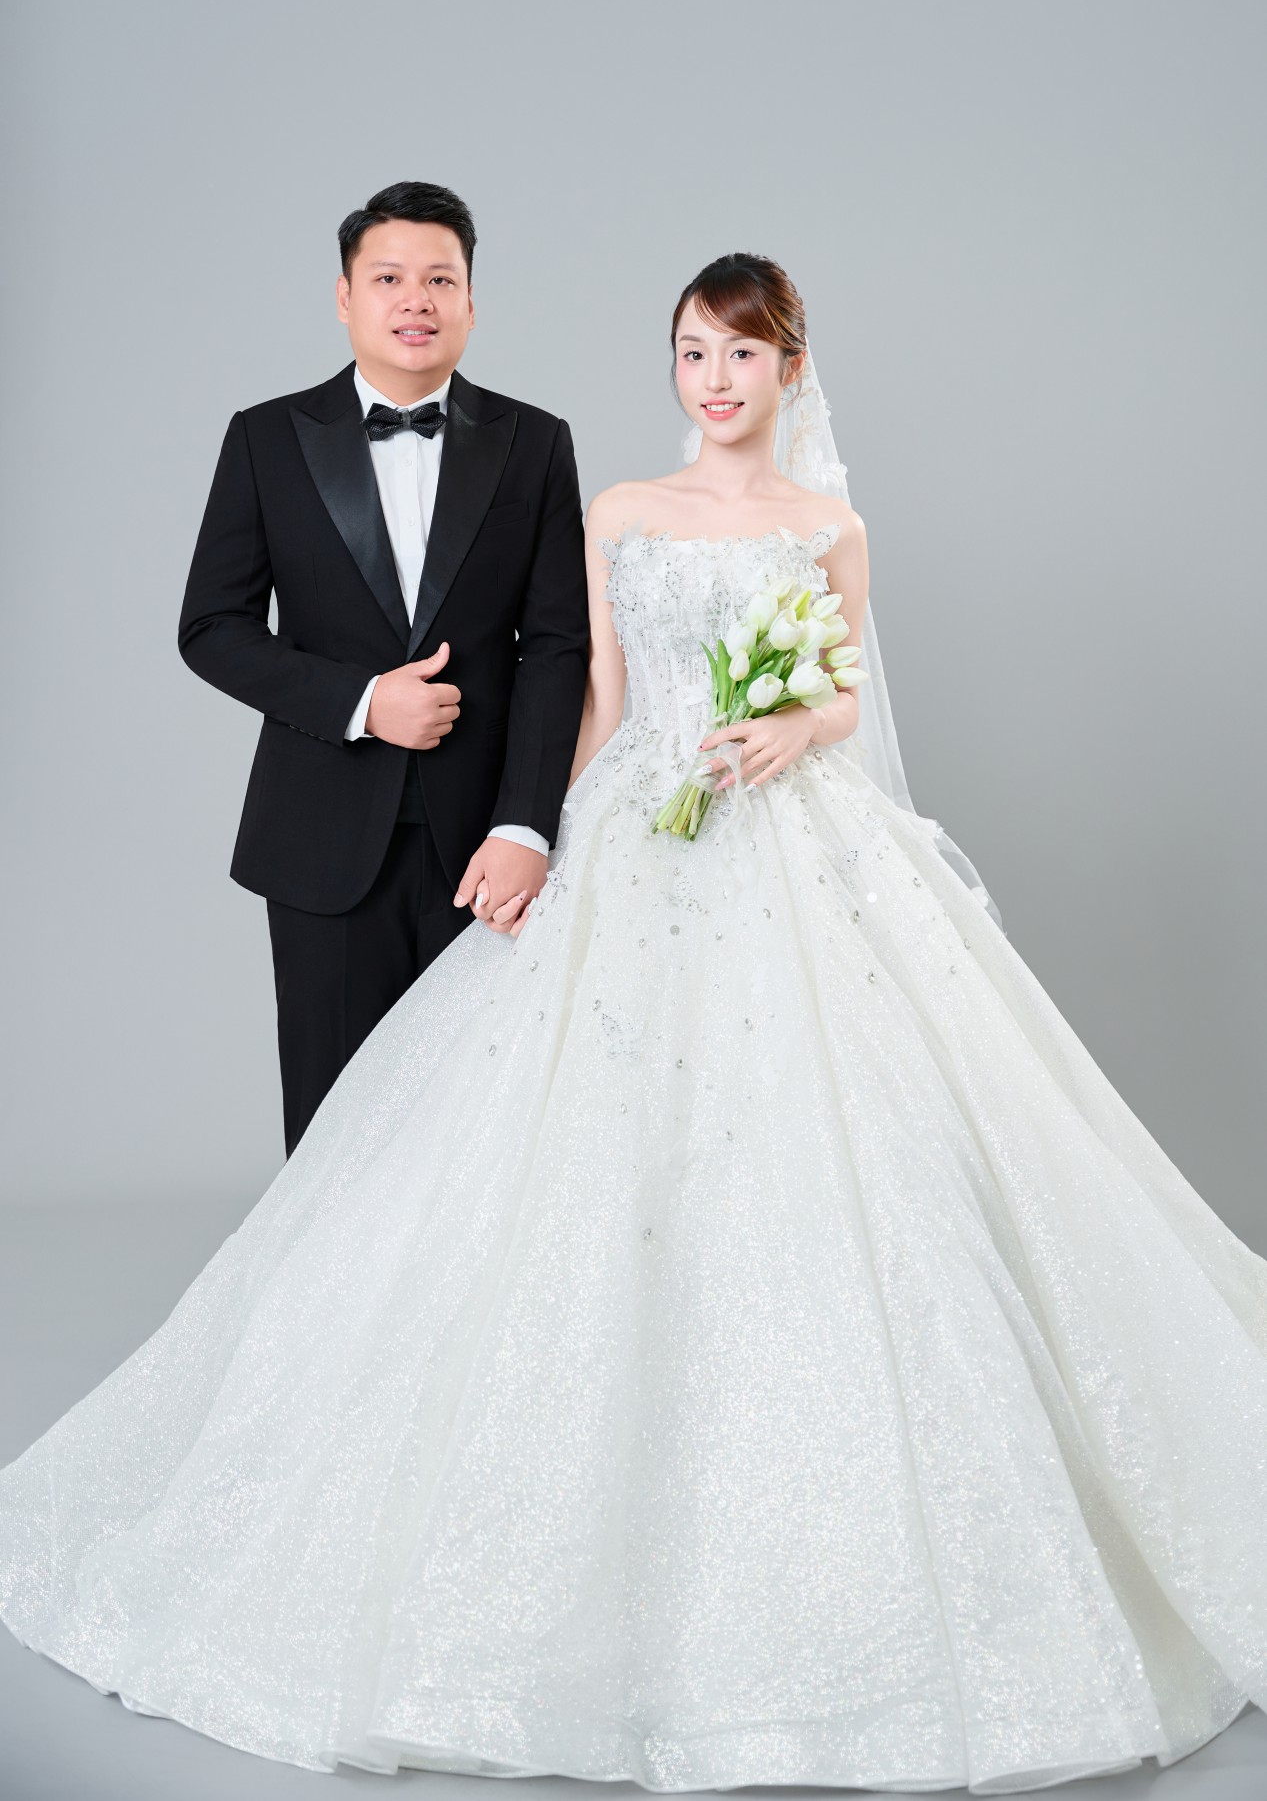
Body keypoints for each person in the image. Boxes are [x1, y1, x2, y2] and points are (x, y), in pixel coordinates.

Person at [2, 253, 1266, 1795]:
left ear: (788, 369)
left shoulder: (830, 526)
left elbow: (845, 698)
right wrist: (535, 828)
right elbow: (593, 692)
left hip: (791, 838)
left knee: (855, 1156)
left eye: (739, 355)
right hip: (636, 829)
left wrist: (786, 724)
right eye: (689, 353)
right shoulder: (616, 510)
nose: (713, 381)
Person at [178, 181, 589, 1155]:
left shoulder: (535, 442)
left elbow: (557, 646)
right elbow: (212, 627)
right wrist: (362, 701)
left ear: (471, 302)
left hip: (484, 847)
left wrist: (526, 826)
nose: (417, 300)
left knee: (480, 1135)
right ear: (344, 297)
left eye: (440, 280)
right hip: (319, 838)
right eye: (390, 278)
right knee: (334, 1134)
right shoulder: (266, 438)